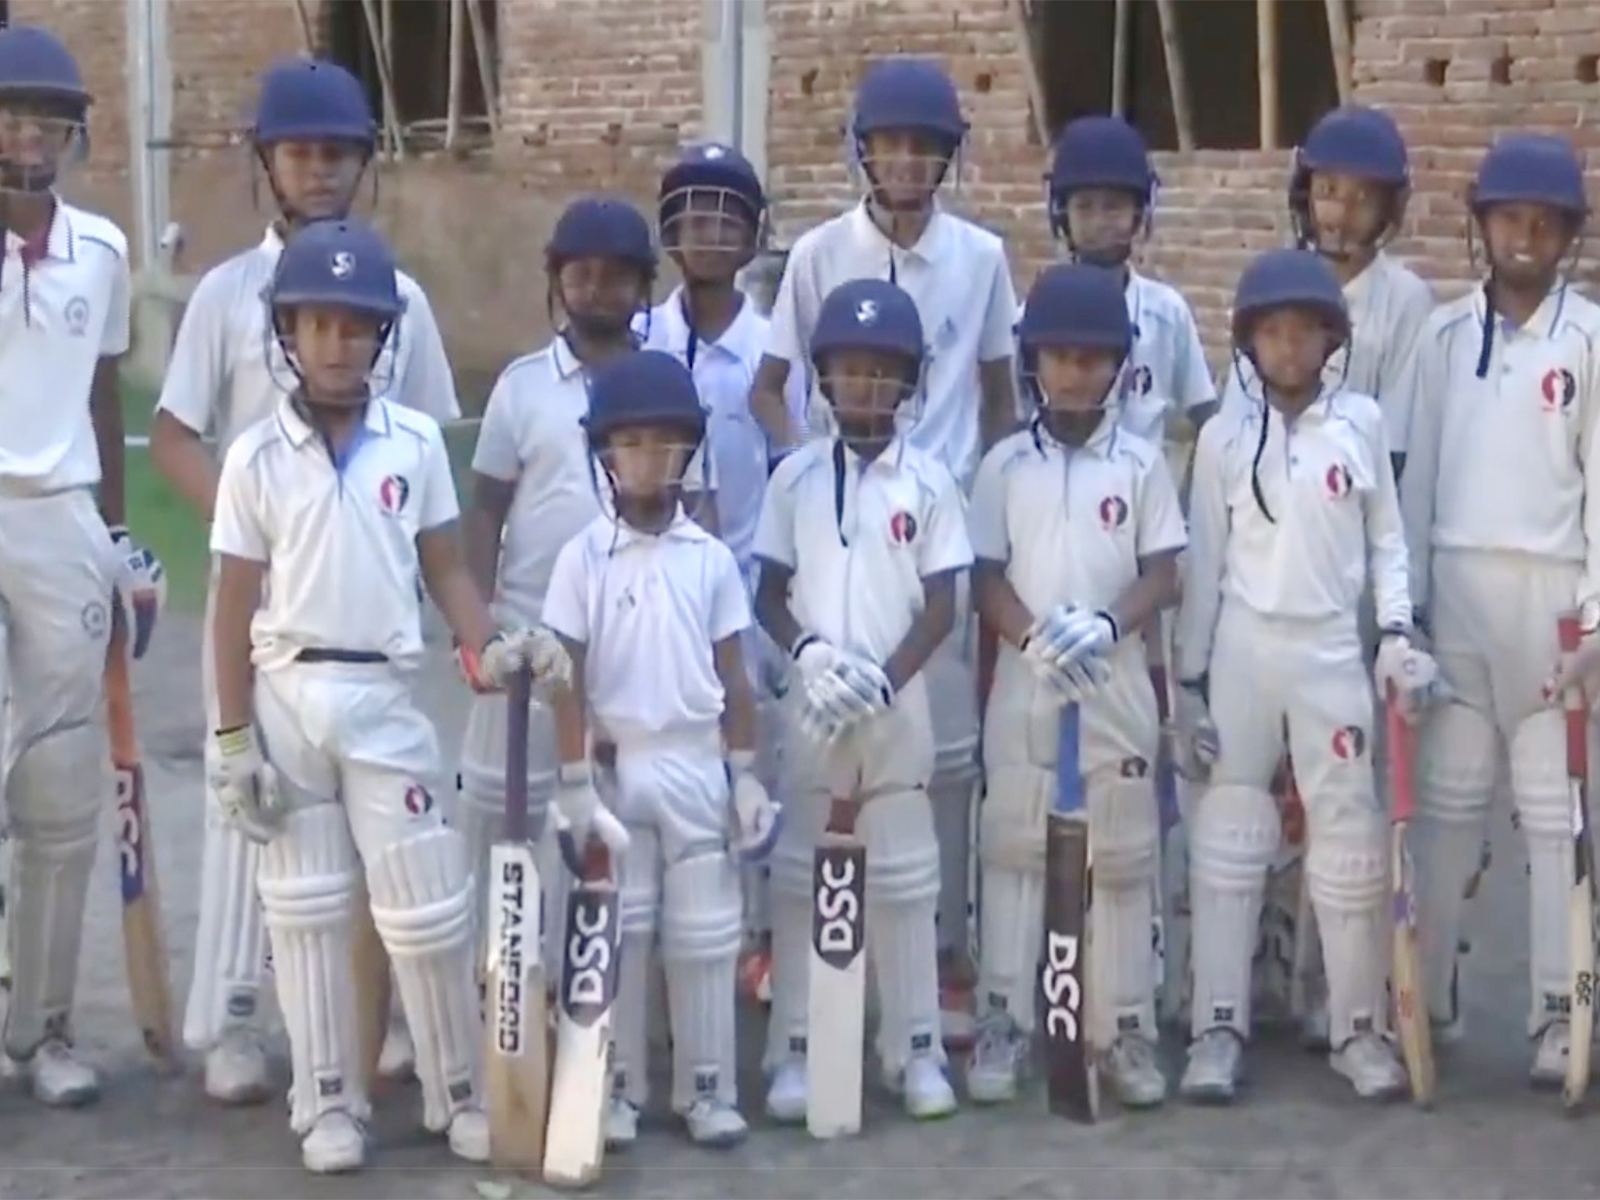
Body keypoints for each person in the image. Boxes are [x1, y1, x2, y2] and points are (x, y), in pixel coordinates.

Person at [207, 216, 563, 1173]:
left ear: (383, 335)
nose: (337, 344)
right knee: (308, 912)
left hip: (384, 693)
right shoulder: (253, 458)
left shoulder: (410, 443)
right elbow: (230, 605)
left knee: (426, 904)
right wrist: (231, 737)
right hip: (288, 693)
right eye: (317, 325)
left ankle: (456, 1092)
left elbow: (446, 568)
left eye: (356, 326)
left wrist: (487, 645)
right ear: (288, 333)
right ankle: (328, 1101)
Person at [150, 56, 459, 1101]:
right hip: (265, 593)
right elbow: (174, 434)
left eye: (337, 154)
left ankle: (378, 1023)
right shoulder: (231, 291)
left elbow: (424, 448)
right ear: (268, 163)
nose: (318, 169)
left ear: (362, 166)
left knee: (376, 818)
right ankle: (234, 1019)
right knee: (257, 802)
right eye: (300, 152)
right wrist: (257, 532)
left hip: (363, 602)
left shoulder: (397, 296)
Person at [752, 55, 1016, 1043]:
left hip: (931, 530)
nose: (905, 161)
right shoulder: (821, 252)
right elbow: (769, 386)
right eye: (890, 144)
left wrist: (954, 492)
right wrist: (814, 482)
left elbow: (998, 395)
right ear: (861, 152)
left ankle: (934, 960)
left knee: (937, 758)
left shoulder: (981, 258)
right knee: (820, 742)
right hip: (837, 514)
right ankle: (815, 964)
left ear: (947, 157)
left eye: (924, 146)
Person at [1174, 248, 1437, 1103]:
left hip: (1329, 649)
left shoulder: (1359, 423)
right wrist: (1187, 680)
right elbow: (1204, 563)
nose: (1289, 349)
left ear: (1333, 340)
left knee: (1350, 843)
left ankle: (1357, 1028)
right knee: (1229, 835)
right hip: (1246, 649)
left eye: (1306, 333)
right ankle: (1217, 1025)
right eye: (1273, 334)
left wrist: (1395, 631)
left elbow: (1388, 542)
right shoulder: (1221, 437)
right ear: (1249, 343)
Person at [1221, 104, 1436, 1049]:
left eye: (1361, 196)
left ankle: (1335, 988)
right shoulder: (1274, 293)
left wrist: (1399, 618)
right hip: (1274, 583)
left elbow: (1409, 466)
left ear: (1389, 208)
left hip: (1357, 572)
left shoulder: (1407, 306)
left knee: (1344, 801)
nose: (1340, 211)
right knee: (1260, 792)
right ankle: (1260, 965)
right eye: (1327, 191)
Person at [458, 195, 702, 985]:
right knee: (503, 818)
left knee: (598, 828)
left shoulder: (665, 385)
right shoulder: (523, 387)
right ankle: (496, 987)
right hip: (529, 642)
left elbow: (694, 513)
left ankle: (588, 998)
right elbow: (486, 508)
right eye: (581, 274)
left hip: (631, 650)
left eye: (617, 278)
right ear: (556, 281)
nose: (597, 291)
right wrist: (480, 628)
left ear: (643, 287)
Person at [1399, 133, 1600, 1085]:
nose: (1527, 234)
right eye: (1511, 217)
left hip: (1554, 600)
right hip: (1459, 596)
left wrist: (1597, 626)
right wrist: (1406, 619)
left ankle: (1562, 1013)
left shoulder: (1591, 339)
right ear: (1481, 226)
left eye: (1546, 221)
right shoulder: (1442, 338)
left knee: (1557, 816)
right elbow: (1418, 485)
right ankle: (1424, 999)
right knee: (1447, 805)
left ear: (1567, 235)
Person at [542, 348, 779, 1149]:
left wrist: (745, 779)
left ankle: (706, 1087)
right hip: (616, 766)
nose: (648, 459)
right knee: (624, 929)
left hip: (694, 761)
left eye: (665, 443)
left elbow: (735, 680)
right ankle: (621, 1087)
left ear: (689, 450)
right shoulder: (580, 559)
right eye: (631, 443)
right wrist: (574, 781)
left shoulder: (709, 559)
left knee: (708, 932)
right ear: (604, 452)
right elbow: (565, 680)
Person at [965, 262, 1185, 1107]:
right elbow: (983, 576)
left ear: (1120, 367)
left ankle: (1123, 1029)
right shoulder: (1003, 465)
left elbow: (1165, 571)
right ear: (1032, 363)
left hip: (1114, 674)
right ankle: (1006, 1020)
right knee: (1015, 845)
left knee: (1125, 853)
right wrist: (1028, 635)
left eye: (1092, 359)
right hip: (1027, 682)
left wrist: (1105, 625)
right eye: (1058, 357)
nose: (1074, 373)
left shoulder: (1139, 464)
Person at [754, 277, 972, 1121]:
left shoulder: (930, 482)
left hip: (895, 703)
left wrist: (885, 673)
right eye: (849, 371)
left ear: (910, 382)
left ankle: (912, 1048)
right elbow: (769, 590)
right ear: (823, 377)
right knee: (801, 874)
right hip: (813, 704)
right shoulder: (796, 479)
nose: (865, 387)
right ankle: (796, 1050)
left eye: (884, 373)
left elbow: (946, 601)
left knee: (908, 878)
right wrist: (808, 655)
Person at [0, 24, 162, 1107]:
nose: (26, 138)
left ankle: (44, 1029)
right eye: (9, 119)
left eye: (44, 122)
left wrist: (117, 535)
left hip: (59, 517)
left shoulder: (100, 249)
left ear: (72, 134)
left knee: (62, 794)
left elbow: (106, 395)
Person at [642, 142, 791, 1000]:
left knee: (753, 765)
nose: (708, 233)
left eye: (726, 218)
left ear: (753, 236)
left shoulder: (777, 349)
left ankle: (758, 942)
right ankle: (670, 940)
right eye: (691, 216)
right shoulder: (643, 336)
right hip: (656, 590)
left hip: (749, 591)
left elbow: (796, 466)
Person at [1042, 115, 1217, 440]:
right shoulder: (1036, 315)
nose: (1099, 222)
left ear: (1141, 214)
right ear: (1061, 214)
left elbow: (1204, 413)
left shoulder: (1166, 313)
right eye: (1084, 207)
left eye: (1114, 208)